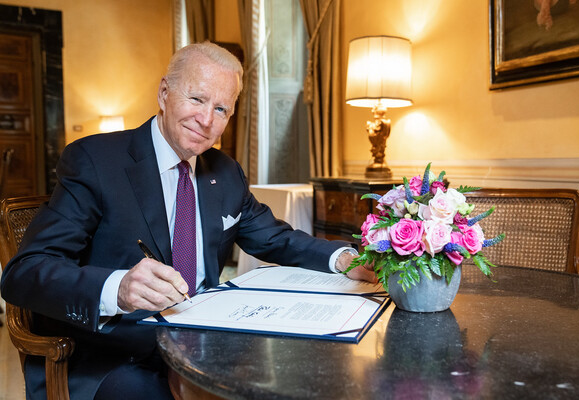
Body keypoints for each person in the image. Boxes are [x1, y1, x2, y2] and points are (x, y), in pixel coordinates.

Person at [0, 41, 376, 400]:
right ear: (164, 93)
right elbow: (25, 273)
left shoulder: (225, 172)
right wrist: (118, 288)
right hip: (117, 357)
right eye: (196, 99)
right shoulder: (96, 161)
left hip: (206, 345)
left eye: (221, 109)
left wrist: (344, 259)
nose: (205, 120)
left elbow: (275, 237)